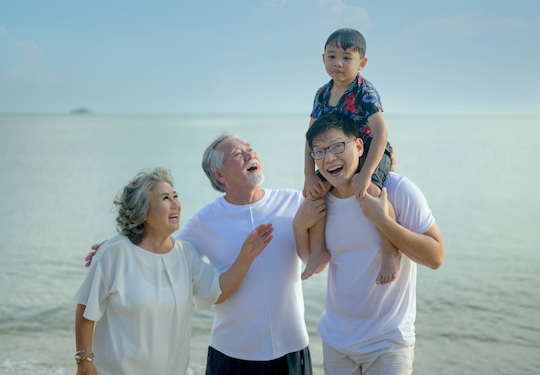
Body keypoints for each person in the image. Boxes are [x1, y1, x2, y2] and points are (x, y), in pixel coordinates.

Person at [86, 136, 313, 375]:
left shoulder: (294, 201)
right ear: (219, 175)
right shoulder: (205, 220)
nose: (250, 155)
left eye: (251, 150)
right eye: (238, 153)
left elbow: (324, 248)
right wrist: (122, 245)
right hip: (232, 354)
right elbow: (161, 249)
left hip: (292, 348)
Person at [74, 167, 273, 375]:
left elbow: (217, 291)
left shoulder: (185, 254)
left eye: (175, 196)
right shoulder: (114, 252)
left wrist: (246, 256)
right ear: (143, 211)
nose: (175, 204)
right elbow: (87, 307)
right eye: (165, 198)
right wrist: (84, 361)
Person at [294, 112, 444, 375]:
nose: (329, 158)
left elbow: (435, 257)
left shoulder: (396, 190)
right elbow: (312, 263)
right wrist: (298, 226)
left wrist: (384, 222)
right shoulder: (318, 202)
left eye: (338, 147)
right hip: (336, 343)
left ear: (360, 146)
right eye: (319, 152)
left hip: (388, 342)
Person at [302, 27, 398, 284]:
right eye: (332, 57)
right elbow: (310, 136)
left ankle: (390, 249)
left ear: (361, 63)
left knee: (372, 193)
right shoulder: (322, 94)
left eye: (347, 58)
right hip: (336, 154)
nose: (338, 63)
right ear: (323, 59)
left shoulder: (364, 91)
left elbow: (381, 132)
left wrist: (366, 173)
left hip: (369, 151)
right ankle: (318, 250)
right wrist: (308, 176)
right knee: (315, 193)